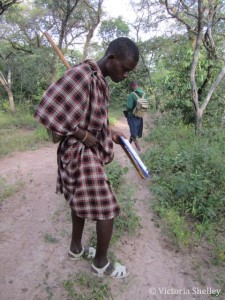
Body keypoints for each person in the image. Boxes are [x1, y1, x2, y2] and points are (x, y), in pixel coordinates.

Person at [34, 37, 139, 278]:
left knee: (80, 202)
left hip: (87, 151)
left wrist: (109, 132)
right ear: (111, 58)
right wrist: (82, 134)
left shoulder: (99, 80)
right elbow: (48, 110)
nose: (124, 76)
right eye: (124, 69)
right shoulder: (82, 74)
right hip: (78, 153)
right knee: (108, 209)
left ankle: (75, 248)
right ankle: (100, 264)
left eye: (128, 72)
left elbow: (92, 118)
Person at [126, 81, 144, 152]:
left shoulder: (132, 94)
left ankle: (139, 150)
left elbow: (129, 107)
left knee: (133, 134)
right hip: (140, 115)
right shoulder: (144, 94)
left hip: (132, 116)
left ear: (132, 86)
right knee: (134, 131)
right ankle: (128, 146)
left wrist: (129, 107)